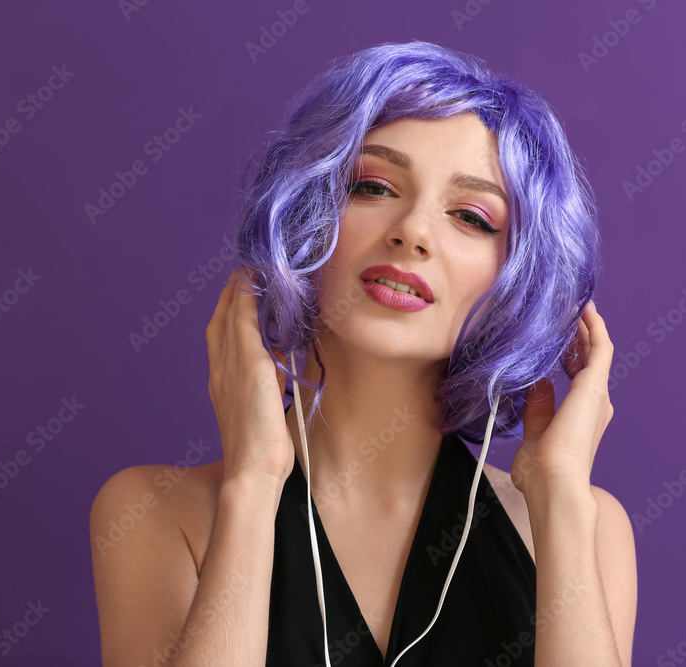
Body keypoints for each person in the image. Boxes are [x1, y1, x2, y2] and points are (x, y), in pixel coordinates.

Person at [90, 40, 637, 667]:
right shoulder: (153, 514)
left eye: (472, 217)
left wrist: (561, 496)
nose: (412, 231)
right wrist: (255, 483)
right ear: (306, 216)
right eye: (374, 185)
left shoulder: (587, 529)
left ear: (516, 278)